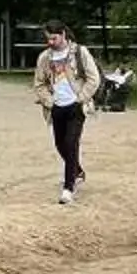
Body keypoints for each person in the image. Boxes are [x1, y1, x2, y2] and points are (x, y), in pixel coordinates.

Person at [31, 21, 101, 204]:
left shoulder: (80, 52)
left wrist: (82, 98)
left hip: (76, 106)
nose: (51, 42)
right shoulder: (45, 58)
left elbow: (94, 78)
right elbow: (39, 83)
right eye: (48, 39)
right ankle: (77, 171)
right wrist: (49, 101)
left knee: (71, 143)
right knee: (60, 144)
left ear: (63, 34)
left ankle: (68, 188)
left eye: (54, 38)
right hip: (56, 106)